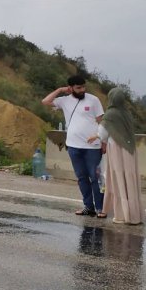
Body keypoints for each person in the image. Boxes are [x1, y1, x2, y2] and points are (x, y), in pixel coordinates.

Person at [43, 76, 105, 217]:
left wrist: (104, 141)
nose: (82, 90)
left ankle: (101, 208)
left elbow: (102, 122)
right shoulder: (64, 101)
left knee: (95, 178)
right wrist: (60, 90)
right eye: (78, 88)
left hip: (93, 147)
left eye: (83, 87)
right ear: (70, 88)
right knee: (82, 177)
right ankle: (88, 207)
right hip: (73, 146)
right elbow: (45, 101)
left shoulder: (93, 100)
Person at [88, 88, 143, 224]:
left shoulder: (110, 114)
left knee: (117, 178)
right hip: (130, 149)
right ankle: (134, 214)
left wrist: (96, 136)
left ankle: (122, 214)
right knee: (129, 179)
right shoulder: (127, 113)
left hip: (117, 148)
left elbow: (103, 133)